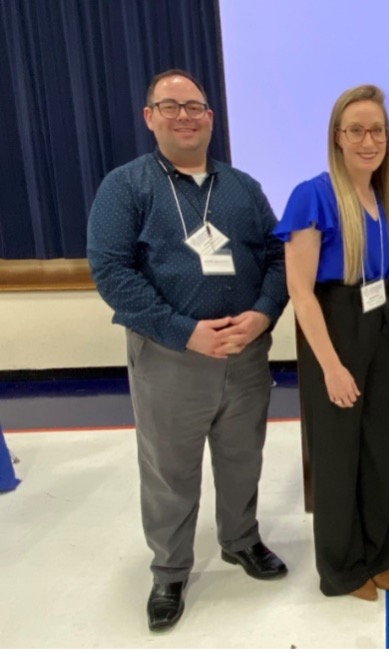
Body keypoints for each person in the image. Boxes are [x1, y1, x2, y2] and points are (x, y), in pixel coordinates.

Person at [87, 69, 289, 631]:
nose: (184, 116)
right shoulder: (125, 187)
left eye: (194, 106)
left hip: (244, 354)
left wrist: (264, 312)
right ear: (149, 116)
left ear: (211, 118)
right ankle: (171, 570)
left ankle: (241, 541)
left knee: (242, 456)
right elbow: (111, 272)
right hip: (170, 355)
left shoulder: (243, 187)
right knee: (169, 470)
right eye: (169, 106)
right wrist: (183, 330)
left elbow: (277, 258)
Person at [276, 85, 389, 601]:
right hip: (335, 328)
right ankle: (341, 566)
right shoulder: (313, 195)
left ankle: (376, 552)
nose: (367, 139)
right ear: (337, 136)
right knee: (337, 455)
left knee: (378, 448)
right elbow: (300, 293)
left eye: (376, 129)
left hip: (379, 327)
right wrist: (330, 366)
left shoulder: (383, 195)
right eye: (356, 129)